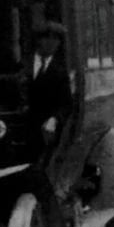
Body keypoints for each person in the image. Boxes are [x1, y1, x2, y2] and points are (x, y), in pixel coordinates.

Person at [29, 21, 73, 160]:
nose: (51, 44)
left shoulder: (60, 71)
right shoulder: (23, 66)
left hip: (46, 132)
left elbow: (66, 104)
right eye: (46, 39)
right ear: (38, 41)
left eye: (56, 40)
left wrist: (54, 119)